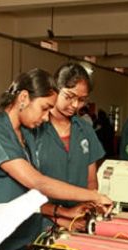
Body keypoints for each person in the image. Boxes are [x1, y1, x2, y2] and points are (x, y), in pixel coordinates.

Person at [0, 68, 112, 250]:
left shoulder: (27, 135)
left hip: (24, 238)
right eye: (44, 108)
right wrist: (93, 196)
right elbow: (37, 182)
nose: (46, 117)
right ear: (23, 98)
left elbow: (26, 196)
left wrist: (63, 214)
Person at [33, 62, 105, 230]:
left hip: (78, 221)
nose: (75, 105)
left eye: (81, 100)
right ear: (55, 90)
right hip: (41, 221)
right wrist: (61, 217)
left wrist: (88, 208)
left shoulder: (85, 130)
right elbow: (27, 188)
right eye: (69, 96)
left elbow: (91, 180)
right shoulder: (35, 128)